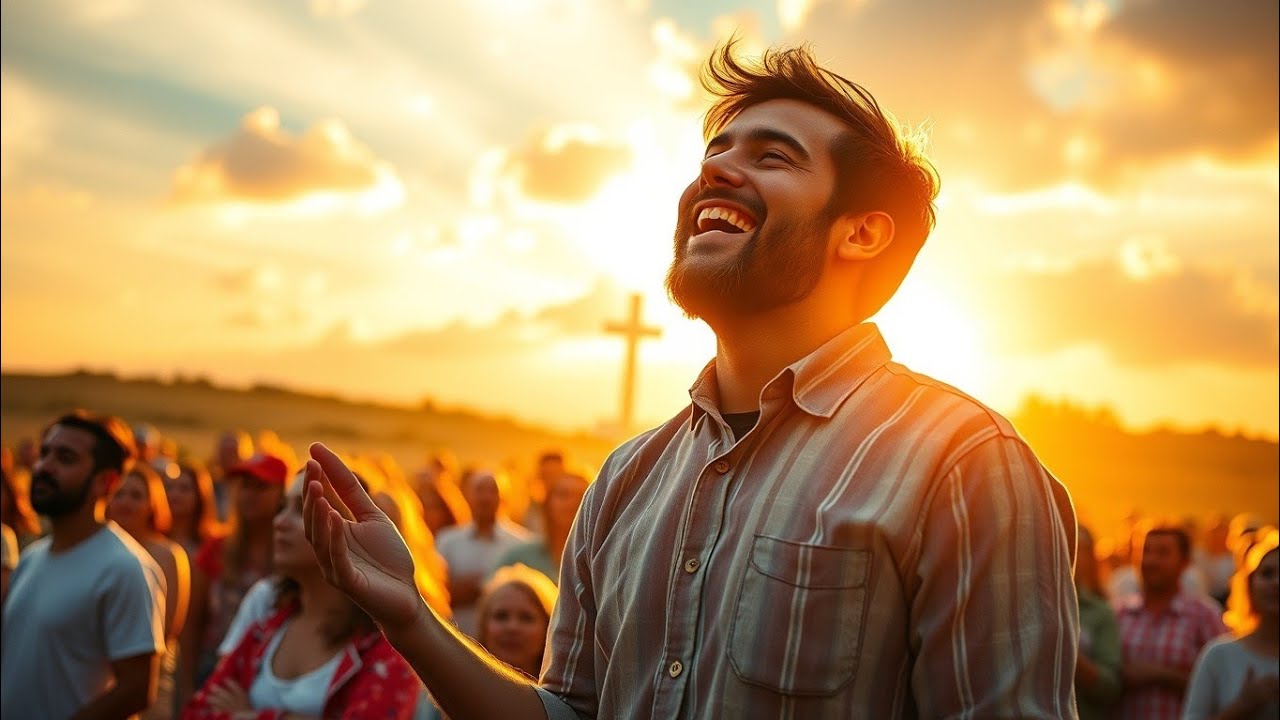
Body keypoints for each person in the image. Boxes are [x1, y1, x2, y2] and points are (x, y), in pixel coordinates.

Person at [299, 41, 1078, 719]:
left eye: (771, 157)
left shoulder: (963, 464)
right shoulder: (628, 478)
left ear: (863, 232)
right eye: (716, 151)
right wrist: (412, 618)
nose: (716, 170)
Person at [182, 470, 420, 719]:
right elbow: (198, 712)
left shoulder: (387, 649)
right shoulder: (264, 630)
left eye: (303, 510)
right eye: (282, 507)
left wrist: (253, 716)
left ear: (354, 530)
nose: (279, 522)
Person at [1, 411, 166, 720]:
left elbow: (136, 691)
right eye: (44, 453)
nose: (44, 467)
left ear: (106, 482)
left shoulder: (124, 569)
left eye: (65, 458)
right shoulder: (32, 557)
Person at [177, 452, 288, 711]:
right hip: (213, 670)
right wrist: (185, 689)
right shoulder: (216, 549)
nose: (249, 494)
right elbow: (192, 624)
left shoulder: (292, 553)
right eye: (245, 485)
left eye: (261, 486)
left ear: (282, 494)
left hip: (270, 677)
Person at [107, 462, 193, 720]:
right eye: (119, 494)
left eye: (136, 495)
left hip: (153, 675)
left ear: (152, 504)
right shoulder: (99, 551)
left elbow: (170, 629)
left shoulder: (168, 555)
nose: (125, 502)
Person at [1116, 523, 1228, 719]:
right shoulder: (1120, 613)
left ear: (1184, 562)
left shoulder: (1204, 615)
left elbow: (1223, 683)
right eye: (1146, 551)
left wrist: (1159, 674)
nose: (1151, 560)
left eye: (1163, 553)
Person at [1182, 529, 1280, 720]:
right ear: (1249, 585)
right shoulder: (1219, 655)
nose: (1277, 583)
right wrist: (1241, 708)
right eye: (1267, 574)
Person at [436, 468, 531, 636]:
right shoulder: (447, 540)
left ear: (504, 497)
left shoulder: (522, 542)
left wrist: (476, 585)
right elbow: (438, 592)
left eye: (493, 490)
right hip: (457, 637)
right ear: (468, 496)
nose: (486, 497)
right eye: (480, 490)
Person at [493, 469, 590, 584]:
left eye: (582, 496)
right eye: (563, 495)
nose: (572, 502)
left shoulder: (603, 558)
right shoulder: (520, 557)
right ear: (547, 503)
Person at [1075, 525, 1123, 720]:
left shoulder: (1100, 612)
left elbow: (1110, 687)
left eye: (1080, 547)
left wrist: (1069, 654)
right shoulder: (1023, 605)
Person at [164, 459, 224, 559]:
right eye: (169, 487)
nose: (174, 494)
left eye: (184, 489)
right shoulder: (153, 537)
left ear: (200, 495)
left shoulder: (213, 543)